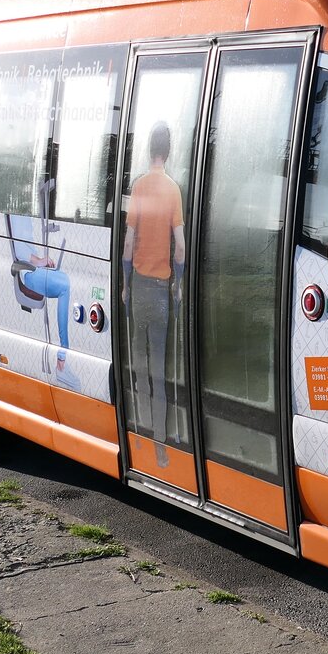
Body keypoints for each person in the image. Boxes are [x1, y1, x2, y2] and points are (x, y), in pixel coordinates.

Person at [122, 120, 184, 446]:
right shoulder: (173, 189)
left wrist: (125, 285)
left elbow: (129, 242)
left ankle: (141, 435)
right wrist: (179, 284)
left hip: (140, 287)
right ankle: (160, 446)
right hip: (162, 291)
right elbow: (182, 247)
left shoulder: (139, 187)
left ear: (149, 151)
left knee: (139, 365)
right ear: (168, 151)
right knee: (159, 372)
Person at [8, 213, 78, 390]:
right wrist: (40, 261)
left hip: (33, 267)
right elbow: (20, 251)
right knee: (64, 285)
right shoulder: (16, 211)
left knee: (66, 279)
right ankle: (62, 360)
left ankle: (61, 358)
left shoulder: (24, 210)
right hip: (28, 273)